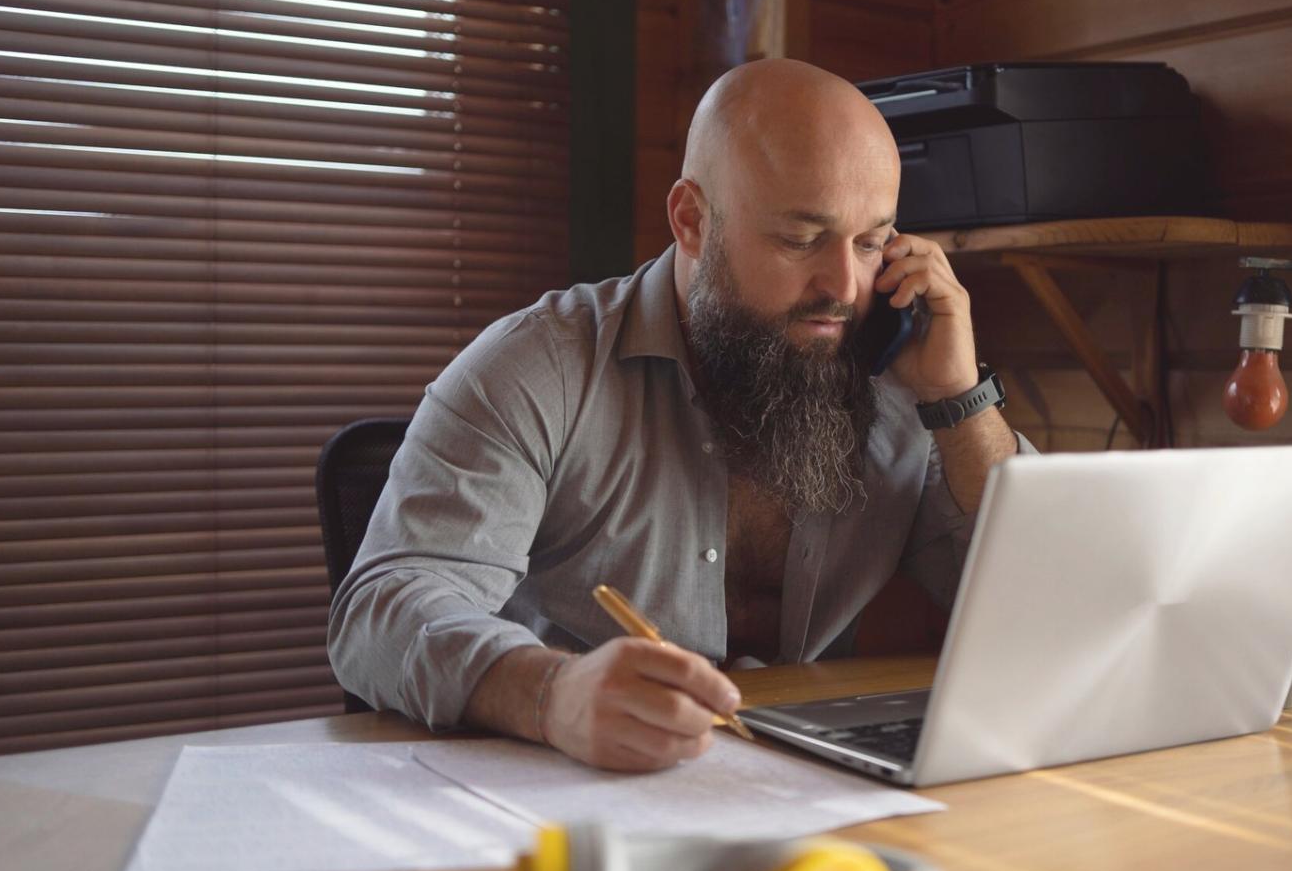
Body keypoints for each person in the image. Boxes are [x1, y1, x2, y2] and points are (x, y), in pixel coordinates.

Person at [328, 59, 1031, 772]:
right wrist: (551, 693)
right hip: (557, 788)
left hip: (786, 785)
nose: (845, 288)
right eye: (800, 238)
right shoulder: (539, 366)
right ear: (692, 220)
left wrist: (962, 397)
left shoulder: (899, 373)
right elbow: (379, 611)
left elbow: (1042, 595)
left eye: (872, 240)